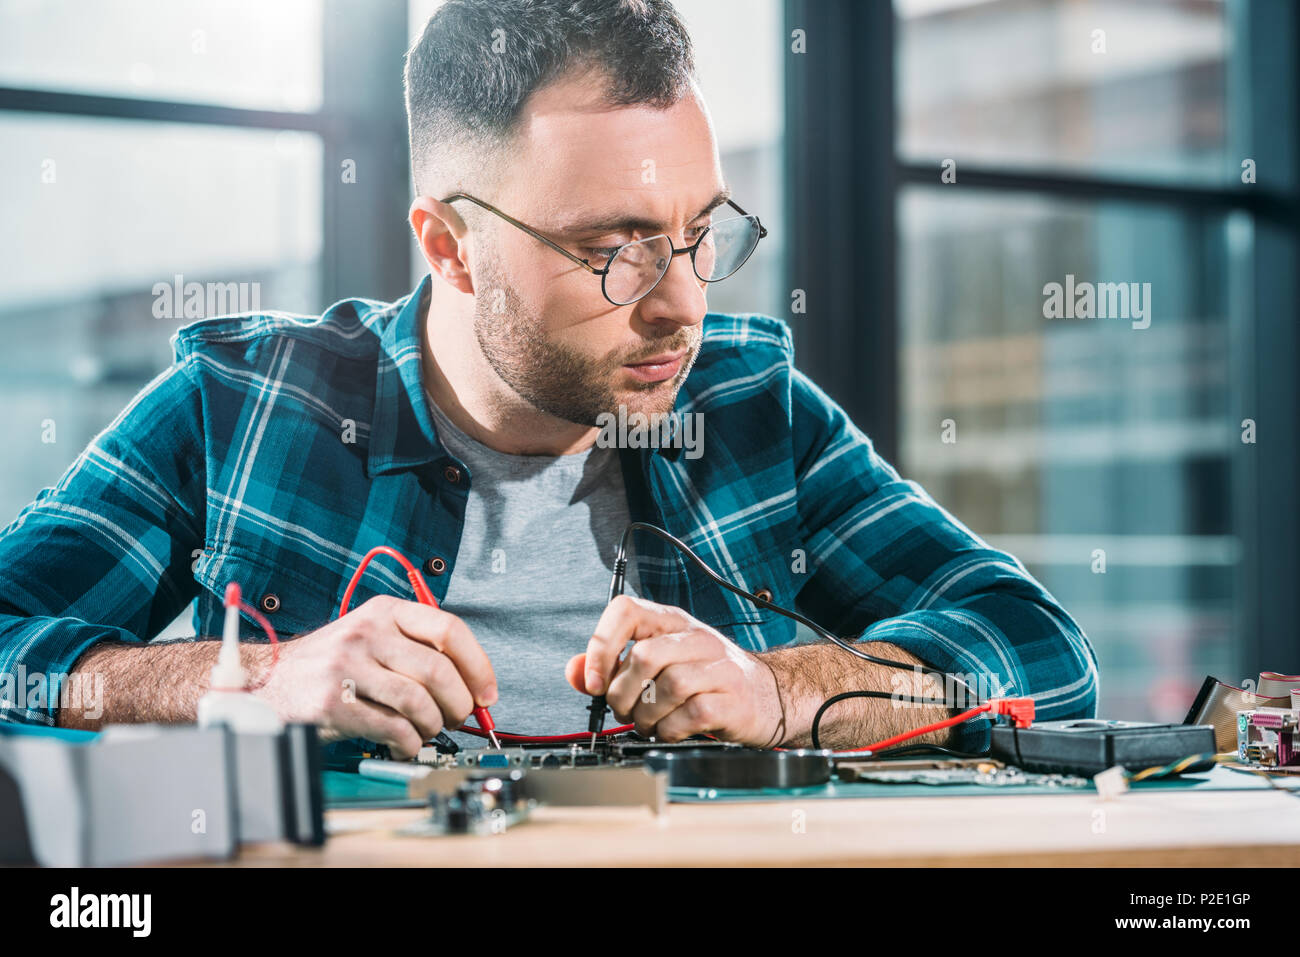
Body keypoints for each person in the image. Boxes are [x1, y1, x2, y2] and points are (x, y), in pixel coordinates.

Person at [0, 0, 1097, 758]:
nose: (680, 302)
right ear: (449, 247)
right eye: (611, 247)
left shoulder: (750, 409)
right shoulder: (242, 406)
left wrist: (780, 693)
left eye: (699, 231)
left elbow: (1042, 653)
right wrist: (244, 684)